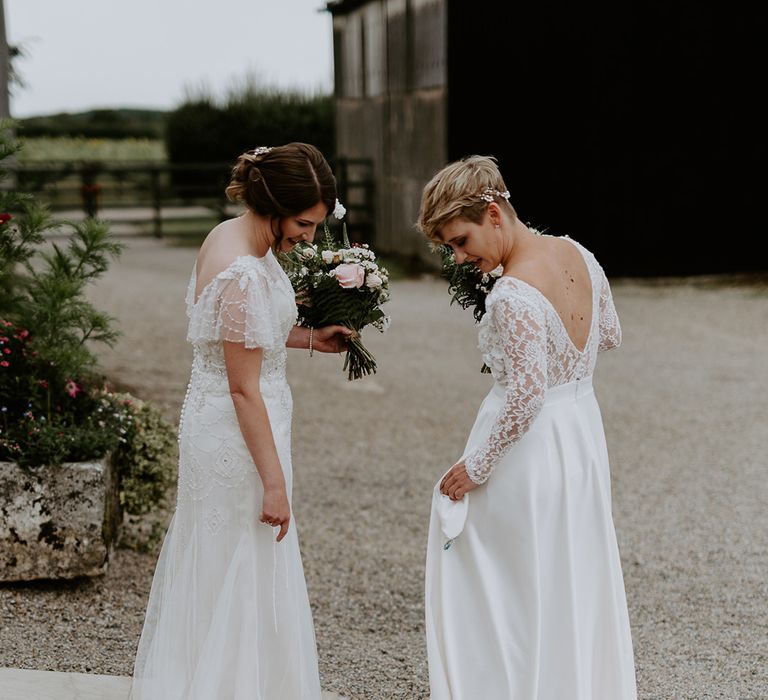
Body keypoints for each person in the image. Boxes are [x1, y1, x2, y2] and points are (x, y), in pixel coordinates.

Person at [129, 143, 352, 700]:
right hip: (238, 431)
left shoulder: (228, 236)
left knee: (231, 561)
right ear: (274, 206)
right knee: (243, 558)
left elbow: (236, 339)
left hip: (229, 421)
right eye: (303, 223)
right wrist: (274, 483)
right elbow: (242, 387)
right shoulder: (243, 272)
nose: (309, 237)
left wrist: (306, 337)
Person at [417, 155, 637, 699]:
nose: (460, 256)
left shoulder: (513, 293)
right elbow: (607, 334)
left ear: (494, 213)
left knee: (502, 574)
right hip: (581, 431)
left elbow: (527, 393)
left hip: (529, 447)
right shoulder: (577, 253)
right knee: (567, 563)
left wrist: (475, 467)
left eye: (461, 241)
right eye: (450, 247)